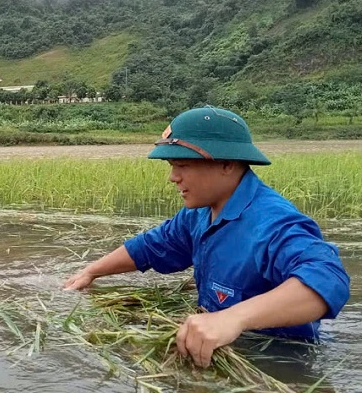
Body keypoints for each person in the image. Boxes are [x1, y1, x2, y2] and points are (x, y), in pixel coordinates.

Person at [64, 106, 350, 368]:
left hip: (278, 361)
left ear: (226, 164)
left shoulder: (272, 222)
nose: (173, 178)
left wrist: (232, 318)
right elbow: (150, 246)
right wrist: (91, 272)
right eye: (171, 167)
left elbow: (327, 279)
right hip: (217, 351)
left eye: (183, 166)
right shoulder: (199, 213)